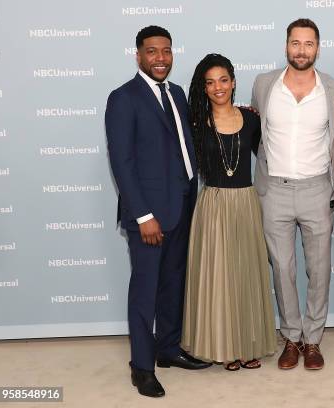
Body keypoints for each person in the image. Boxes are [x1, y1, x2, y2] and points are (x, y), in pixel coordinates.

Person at [105, 26, 211, 398]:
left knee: (173, 284)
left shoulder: (177, 93)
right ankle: (142, 367)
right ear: (138, 55)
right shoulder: (124, 98)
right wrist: (142, 215)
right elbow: (123, 161)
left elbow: (183, 146)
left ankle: (168, 348)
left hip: (182, 205)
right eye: (152, 51)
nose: (160, 58)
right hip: (148, 215)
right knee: (145, 290)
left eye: (166, 51)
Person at [251, 18, 334, 370]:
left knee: (319, 269)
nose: (301, 50)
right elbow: (256, 135)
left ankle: (314, 340)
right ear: (286, 45)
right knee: (283, 269)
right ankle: (291, 337)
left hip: (317, 189)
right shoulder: (264, 85)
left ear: (317, 48)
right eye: (295, 43)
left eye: (308, 44)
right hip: (273, 189)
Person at [181, 53, 277, 371]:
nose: (218, 87)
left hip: (246, 203)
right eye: (210, 82)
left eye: (223, 80)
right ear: (203, 88)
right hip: (214, 205)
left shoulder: (251, 119)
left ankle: (248, 344)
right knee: (219, 277)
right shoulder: (195, 124)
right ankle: (224, 347)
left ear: (233, 82)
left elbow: (274, 152)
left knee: (246, 274)